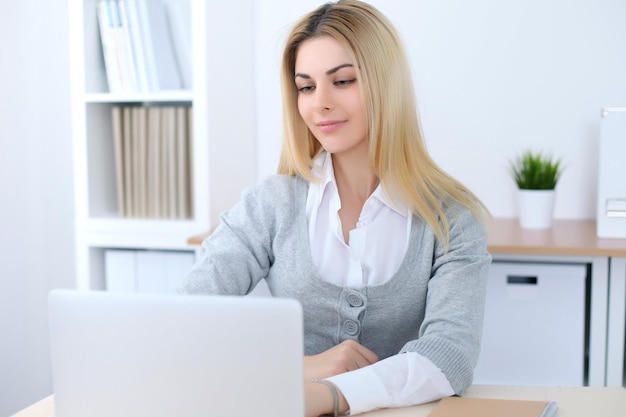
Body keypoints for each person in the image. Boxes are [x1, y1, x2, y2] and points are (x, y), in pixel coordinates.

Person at [180, 1, 492, 416]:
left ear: (386, 85)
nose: (319, 103)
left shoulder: (452, 218)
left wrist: (329, 394)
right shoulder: (270, 204)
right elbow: (185, 323)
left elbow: (449, 356)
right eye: (306, 87)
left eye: (342, 81)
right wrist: (303, 369)